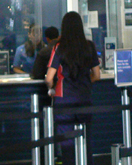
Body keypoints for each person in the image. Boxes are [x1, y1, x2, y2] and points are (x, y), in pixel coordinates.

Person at [45, 12, 100, 165]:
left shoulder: (59, 47)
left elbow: (49, 78)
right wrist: (85, 81)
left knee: (67, 145)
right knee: (86, 141)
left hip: (64, 100)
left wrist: (52, 88)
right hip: (84, 98)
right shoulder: (89, 46)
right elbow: (97, 75)